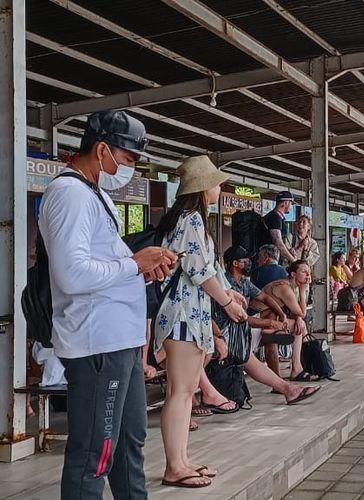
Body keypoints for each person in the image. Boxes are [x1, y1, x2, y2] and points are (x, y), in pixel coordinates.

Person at [39, 110, 178, 499]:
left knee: (128, 443)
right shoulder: (69, 195)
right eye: (129, 159)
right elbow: (72, 273)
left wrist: (141, 268)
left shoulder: (93, 194)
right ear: (102, 150)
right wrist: (134, 264)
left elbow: (104, 264)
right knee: (94, 455)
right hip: (96, 344)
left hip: (120, 342)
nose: (130, 170)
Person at [154, 155, 249, 488]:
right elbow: (198, 271)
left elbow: (209, 270)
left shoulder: (184, 218)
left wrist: (228, 294)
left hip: (190, 314)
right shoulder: (191, 219)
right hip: (183, 315)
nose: (220, 188)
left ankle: (181, 460)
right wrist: (227, 301)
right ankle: (174, 466)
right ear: (203, 186)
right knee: (180, 392)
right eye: (217, 182)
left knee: (185, 390)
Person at [217, 247, 320, 404]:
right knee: (251, 354)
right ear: (235, 264)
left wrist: (281, 314)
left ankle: (287, 387)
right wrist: (271, 322)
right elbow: (240, 318)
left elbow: (264, 297)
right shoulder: (224, 285)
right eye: (245, 261)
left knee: (257, 351)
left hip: (243, 330)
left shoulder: (244, 282)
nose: (250, 263)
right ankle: (288, 384)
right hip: (233, 331)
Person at [264, 191, 296, 264]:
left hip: (275, 259)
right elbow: (278, 242)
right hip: (269, 261)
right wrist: (293, 260)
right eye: (291, 203)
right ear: (286, 203)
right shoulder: (274, 218)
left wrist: (288, 251)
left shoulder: (278, 217)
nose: (291, 207)